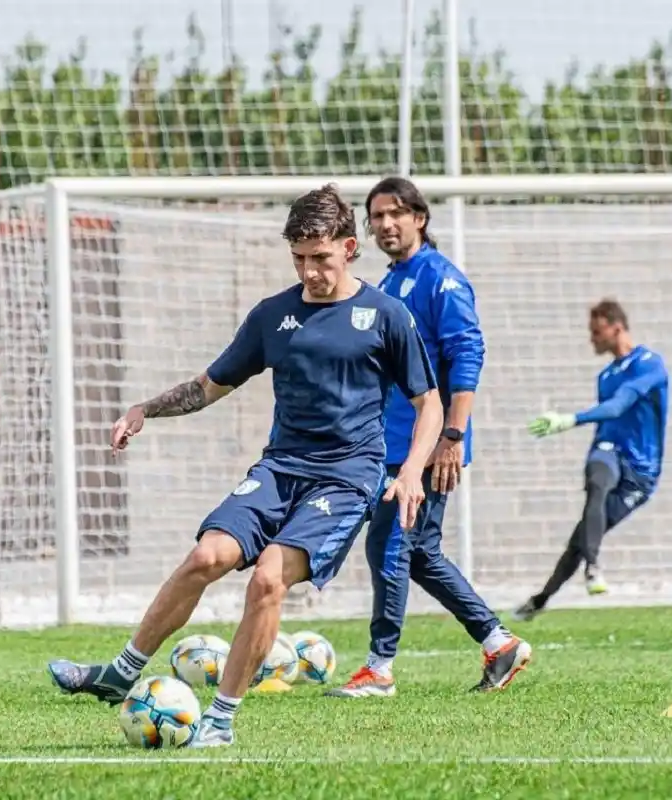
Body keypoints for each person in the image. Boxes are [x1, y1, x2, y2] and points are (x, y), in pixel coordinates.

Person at [47, 184, 444, 748]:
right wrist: (144, 410)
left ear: (350, 247)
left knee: (266, 579)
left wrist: (409, 473)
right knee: (206, 556)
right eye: (299, 259)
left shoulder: (386, 315)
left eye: (321, 258)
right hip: (280, 468)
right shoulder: (272, 316)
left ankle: (220, 721)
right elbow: (210, 386)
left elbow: (429, 402)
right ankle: (121, 671)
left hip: (348, 478)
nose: (309, 272)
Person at [325, 177, 531, 699]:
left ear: (420, 217)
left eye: (396, 213)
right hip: (394, 444)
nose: (386, 224)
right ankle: (498, 641)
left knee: (390, 544)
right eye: (377, 216)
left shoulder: (442, 279)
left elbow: (467, 355)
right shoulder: (391, 284)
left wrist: (452, 437)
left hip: (429, 445)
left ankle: (379, 669)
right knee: (417, 552)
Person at [513, 299, 670, 621]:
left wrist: (570, 419)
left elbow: (618, 406)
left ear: (617, 328)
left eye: (597, 332)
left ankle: (541, 599)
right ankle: (593, 568)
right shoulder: (605, 375)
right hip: (608, 449)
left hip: (641, 471)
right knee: (597, 482)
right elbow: (608, 422)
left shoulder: (650, 364)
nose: (592, 340)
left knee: (582, 536)